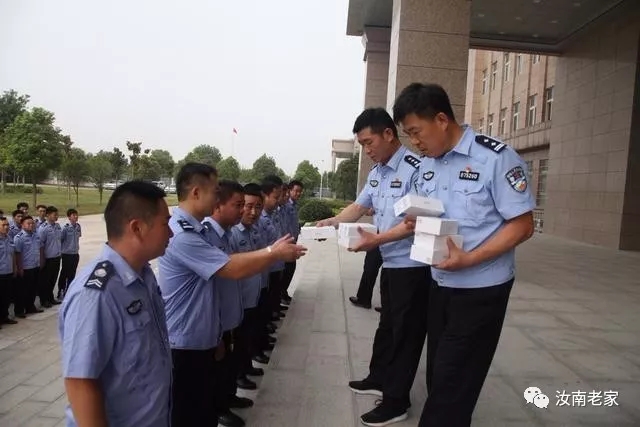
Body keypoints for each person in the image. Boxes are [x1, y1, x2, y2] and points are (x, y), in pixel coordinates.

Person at [353, 83, 536, 427]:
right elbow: (423, 219)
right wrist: (400, 228)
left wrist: (470, 259)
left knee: (453, 380)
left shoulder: (494, 158)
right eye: (408, 134)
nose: (414, 142)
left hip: (481, 289)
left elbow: (523, 226)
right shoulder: (428, 166)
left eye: (416, 132)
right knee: (440, 373)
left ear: (441, 119)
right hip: (439, 284)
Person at [158, 163, 306, 427]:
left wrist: (217, 334)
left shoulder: (200, 231)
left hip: (203, 334)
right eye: (215, 191)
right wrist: (273, 252)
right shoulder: (183, 235)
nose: (218, 197)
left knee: (203, 408)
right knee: (188, 412)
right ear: (196, 193)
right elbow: (229, 267)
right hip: (185, 343)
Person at [317, 107, 431, 426]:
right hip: (391, 264)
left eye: (369, 142)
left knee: (405, 335)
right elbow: (359, 206)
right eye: (362, 145)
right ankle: (378, 378)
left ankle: (396, 401)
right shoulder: (377, 172)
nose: (367, 150)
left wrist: (376, 240)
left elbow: (415, 223)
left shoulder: (417, 170)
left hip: (413, 266)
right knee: (387, 327)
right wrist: (331, 222)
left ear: (388, 134)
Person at [58, 181, 173, 427]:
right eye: (166, 224)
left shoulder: (144, 275)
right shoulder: (96, 295)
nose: (171, 233)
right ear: (137, 228)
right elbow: (80, 382)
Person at [203, 180, 250, 427]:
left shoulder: (227, 232)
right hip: (216, 320)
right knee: (217, 371)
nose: (242, 210)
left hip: (231, 315)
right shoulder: (206, 236)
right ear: (218, 205)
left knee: (229, 364)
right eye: (238, 205)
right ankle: (219, 408)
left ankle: (229, 398)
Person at [230, 183, 269, 382]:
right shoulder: (233, 234)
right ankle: (238, 375)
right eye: (248, 206)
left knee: (248, 336)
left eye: (258, 207)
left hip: (254, 295)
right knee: (239, 340)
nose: (253, 212)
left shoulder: (253, 230)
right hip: (240, 299)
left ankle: (246, 367)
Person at [349, 208, 383, 310]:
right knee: (388, 271)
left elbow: (367, 210)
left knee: (371, 267)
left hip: (384, 235)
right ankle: (387, 306)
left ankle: (364, 299)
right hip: (389, 234)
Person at [13, 216, 44, 316]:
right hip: (25, 268)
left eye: (32, 223)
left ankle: (30, 307)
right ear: (22, 225)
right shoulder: (19, 238)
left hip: (35, 265)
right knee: (22, 291)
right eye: (28, 223)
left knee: (33, 289)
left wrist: (41, 261)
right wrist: (19, 268)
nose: (31, 225)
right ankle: (19, 310)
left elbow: (40, 249)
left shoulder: (36, 235)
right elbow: (17, 254)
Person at [280, 179, 303, 304]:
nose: (298, 194)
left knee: (290, 269)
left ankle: (283, 293)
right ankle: (281, 295)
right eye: (296, 191)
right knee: (287, 269)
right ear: (289, 191)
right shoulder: (286, 205)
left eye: (300, 191)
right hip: (287, 242)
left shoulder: (293, 205)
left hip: (293, 241)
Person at [38, 206, 63, 307]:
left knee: (53, 279)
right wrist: (42, 259)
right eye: (54, 215)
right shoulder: (43, 228)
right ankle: (44, 300)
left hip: (56, 257)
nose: (57, 216)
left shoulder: (57, 226)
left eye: (57, 214)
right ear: (48, 215)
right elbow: (40, 245)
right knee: (45, 280)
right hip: (48, 259)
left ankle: (50, 297)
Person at [58, 208, 82, 300]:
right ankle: (61, 290)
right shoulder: (65, 228)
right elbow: (60, 240)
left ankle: (69, 290)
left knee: (72, 273)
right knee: (64, 273)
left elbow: (78, 237)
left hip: (75, 254)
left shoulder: (78, 226)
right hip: (66, 254)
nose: (76, 216)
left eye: (76, 215)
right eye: (73, 215)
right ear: (69, 217)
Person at [0, 216, 18, 326]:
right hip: (0, 273)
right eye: (3, 225)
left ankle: (4, 317)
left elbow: (13, 254)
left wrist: (14, 268)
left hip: (9, 272)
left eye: (7, 225)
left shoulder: (9, 238)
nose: (6, 227)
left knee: (6, 297)